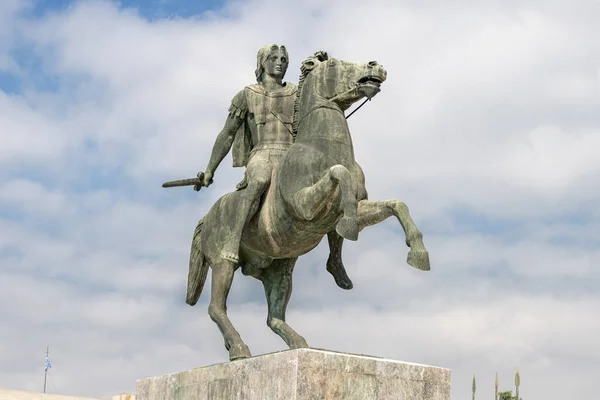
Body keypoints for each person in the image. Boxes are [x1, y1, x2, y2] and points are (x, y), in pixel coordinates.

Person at [199, 44, 353, 289]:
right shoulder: (247, 94)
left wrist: (323, 64)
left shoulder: (296, 92)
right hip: (263, 153)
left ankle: (334, 258)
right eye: (273, 58)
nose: (280, 62)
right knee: (259, 180)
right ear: (262, 63)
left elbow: (322, 90)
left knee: (334, 189)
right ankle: (232, 240)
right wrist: (210, 170)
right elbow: (227, 134)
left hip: (294, 156)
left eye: (283, 58)